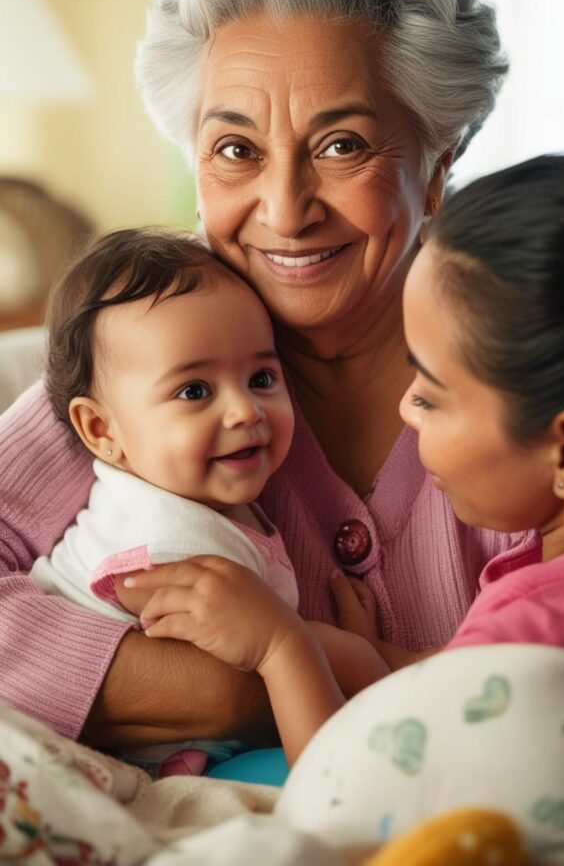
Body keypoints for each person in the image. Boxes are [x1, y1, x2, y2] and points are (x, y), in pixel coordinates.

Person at [0, 0, 535, 755]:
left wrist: (298, 664)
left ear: (440, 159)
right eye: (235, 150)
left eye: (341, 145)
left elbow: (549, 685)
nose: (283, 210)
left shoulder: (528, 356)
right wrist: (210, 688)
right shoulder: (149, 335)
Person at [125, 154, 564, 810]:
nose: (404, 408)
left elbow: (346, 808)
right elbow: (456, 677)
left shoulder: (527, 646)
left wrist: (280, 647)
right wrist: (365, 656)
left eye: (429, 395)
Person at [30, 227, 384, 774]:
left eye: (262, 377)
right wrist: (361, 655)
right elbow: (256, 660)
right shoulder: (164, 544)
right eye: (195, 391)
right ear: (102, 429)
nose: (246, 411)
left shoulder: (184, 495)